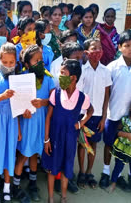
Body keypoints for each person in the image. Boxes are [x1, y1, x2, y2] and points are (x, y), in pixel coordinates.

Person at [100, 30, 131, 190]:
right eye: (127, 45)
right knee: (109, 144)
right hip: (113, 114)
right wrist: (104, 114)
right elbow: (106, 93)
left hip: (130, 117)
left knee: (124, 146)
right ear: (119, 47)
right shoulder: (112, 67)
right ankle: (105, 172)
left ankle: (118, 175)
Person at [42, 59, 94, 203]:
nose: (60, 76)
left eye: (63, 73)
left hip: (70, 139)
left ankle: (64, 197)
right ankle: (51, 198)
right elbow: (48, 117)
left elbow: (90, 110)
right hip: (54, 138)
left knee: (66, 167)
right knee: (52, 169)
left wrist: (81, 123)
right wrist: (46, 139)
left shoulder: (82, 97)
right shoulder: (56, 94)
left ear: (73, 78)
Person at [13, 45, 55, 202]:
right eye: (36, 60)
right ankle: (15, 187)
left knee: (35, 153)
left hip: (42, 123)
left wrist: (43, 102)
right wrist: (23, 110)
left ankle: (32, 183)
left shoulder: (48, 78)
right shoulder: (23, 78)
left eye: (41, 60)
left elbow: (53, 100)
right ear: (27, 64)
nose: (40, 63)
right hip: (27, 123)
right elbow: (17, 101)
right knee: (24, 154)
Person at [76, 38, 112, 189]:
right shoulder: (82, 71)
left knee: (94, 143)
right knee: (82, 143)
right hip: (84, 114)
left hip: (98, 115)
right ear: (86, 52)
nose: (97, 51)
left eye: (99, 48)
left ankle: (90, 171)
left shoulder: (106, 71)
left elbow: (106, 96)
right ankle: (82, 172)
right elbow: (79, 94)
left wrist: (104, 117)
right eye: (93, 48)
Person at [0, 42, 19, 203]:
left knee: (9, 155)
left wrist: (20, 129)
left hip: (13, 123)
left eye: (11, 62)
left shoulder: (19, 79)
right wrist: (2, 96)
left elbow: (22, 106)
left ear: (16, 62)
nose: (8, 65)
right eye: (5, 62)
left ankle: (7, 188)